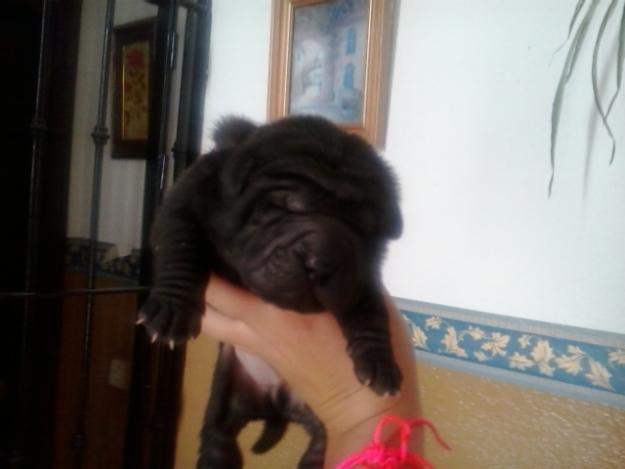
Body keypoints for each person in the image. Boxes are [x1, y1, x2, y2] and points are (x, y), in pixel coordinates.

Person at [201, 275, 424, 468]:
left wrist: (363, 416)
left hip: (285, 351)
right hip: (250, 360)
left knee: (217, 444)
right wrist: (367, 416)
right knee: (217, 444)